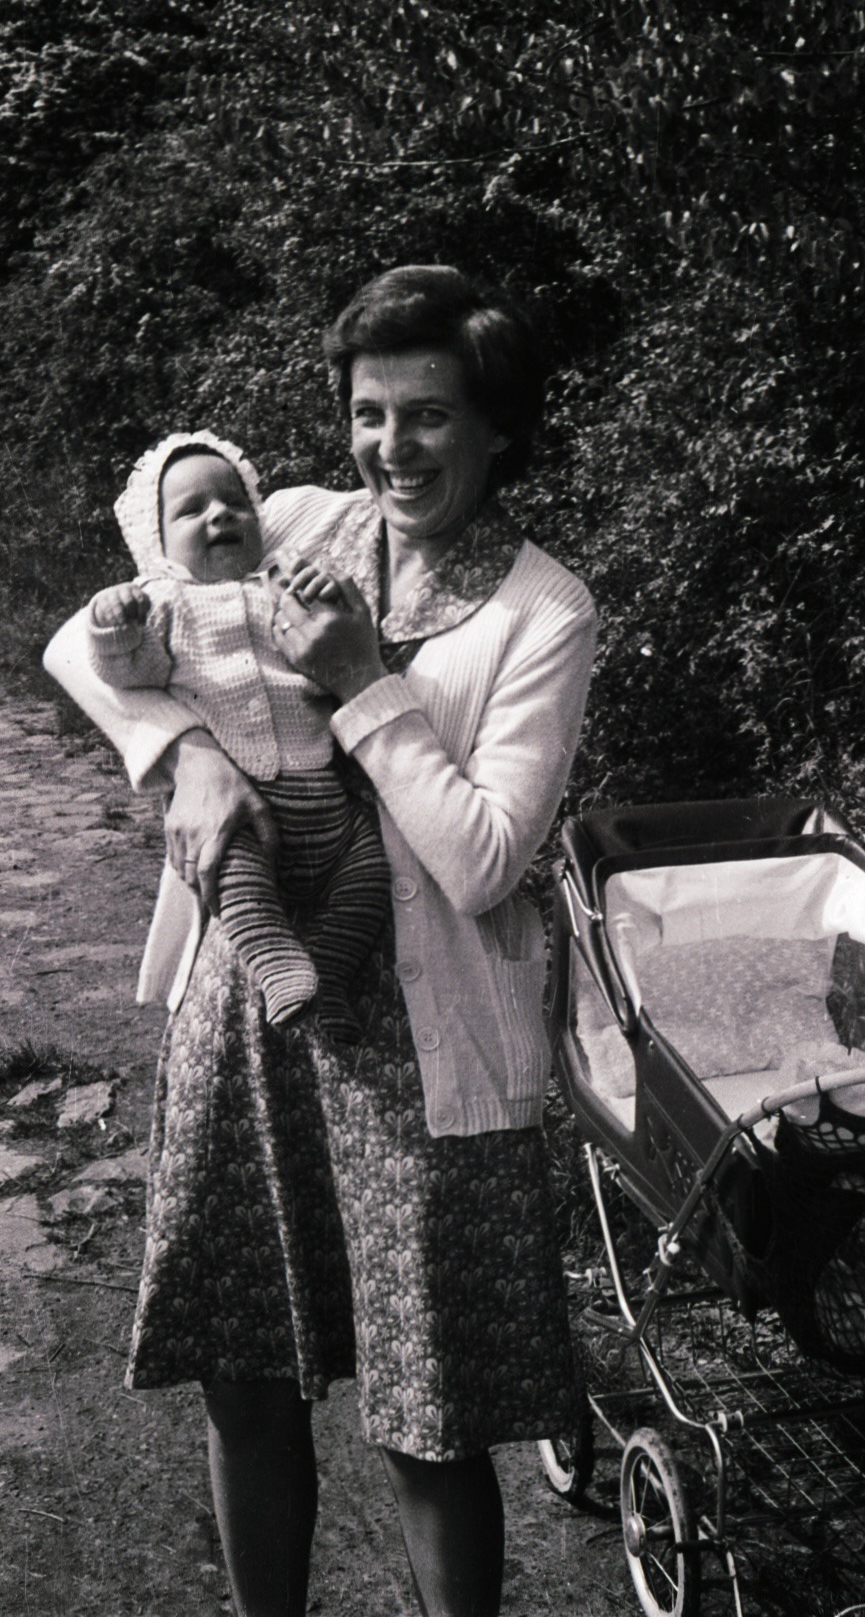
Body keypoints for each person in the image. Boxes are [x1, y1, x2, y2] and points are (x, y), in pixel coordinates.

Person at [43, 264, 597, 1617]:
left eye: (428, 416)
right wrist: (183, 756)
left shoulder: (542, 613)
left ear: (497, 427)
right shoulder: (301, 521)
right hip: (254, 1004)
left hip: (427, 1054)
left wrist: (361, 684)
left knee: (430, 1416)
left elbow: (481, 861)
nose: (390, 449)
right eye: (367, 414)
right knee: (244, 1375)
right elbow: (79, 640)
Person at [80, 429, 388, 1040]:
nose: (220, 514)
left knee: (370, 874)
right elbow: (128, 675)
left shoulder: (281, 583)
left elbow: (329, 653)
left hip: (327, 801)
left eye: (235, 502)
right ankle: (274, 961)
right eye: (191, 510)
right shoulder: (163, 603)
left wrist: (322, 599)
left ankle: (327, 973)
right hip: (242, 809)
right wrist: (113, 626)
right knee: (228, 871)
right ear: (158, 542)